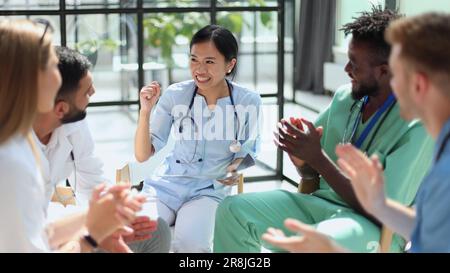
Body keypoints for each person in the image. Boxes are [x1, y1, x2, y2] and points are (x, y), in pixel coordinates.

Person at [214, 6, 434, 253]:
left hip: (373, 228)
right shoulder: (345, 98)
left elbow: (384, 211)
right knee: (233, 211)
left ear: (384, 71)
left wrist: (317, 158)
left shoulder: (418, 124)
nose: (346, 70)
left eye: (354, 64)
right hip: (319, 205)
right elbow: (311, 172)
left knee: (313, 243)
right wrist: (300, 156)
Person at [0, 19, 142, 252]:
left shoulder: (18, 143)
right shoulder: (10, 162)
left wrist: (105, 214)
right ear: (26, 80)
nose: (59, 77)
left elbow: (39, 233)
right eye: (52, 65)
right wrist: (92, 237)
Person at [135, 25, 261, 252]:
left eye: (210, 62)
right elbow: (143, 154)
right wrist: (145, 112)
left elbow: (249, 150)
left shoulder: (248, 101)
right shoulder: (175, 94)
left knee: (191, 245)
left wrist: (233, 169)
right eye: (194, 60)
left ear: (230, 64)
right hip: (165, 185)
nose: (199, 69)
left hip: (208, 190)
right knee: (141, 234)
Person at [32, 46, 171, 253]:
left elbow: (92, 182)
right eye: (87, 91)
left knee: (155, 229)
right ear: (61, 108)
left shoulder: (73, 124)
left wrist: (116, 218)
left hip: (52, 229)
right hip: (34, 241)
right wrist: (91, 233)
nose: (94, 92)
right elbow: (27, 237)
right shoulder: (14, 154)